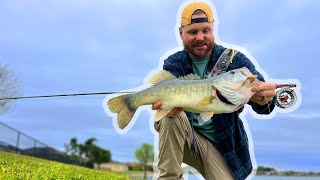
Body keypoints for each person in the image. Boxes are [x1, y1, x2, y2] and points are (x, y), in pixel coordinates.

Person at [152, 1, 276, 180]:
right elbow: (163, 100)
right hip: (185, 138)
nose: (200, 37)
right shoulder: (174, 63)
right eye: (193, 32)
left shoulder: (236, 60)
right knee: (171, 118)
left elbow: (266, 106)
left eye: (205, 30)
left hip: (223, 150)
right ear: (181, 33)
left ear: (213, 30)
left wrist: (264, 99)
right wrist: (166, 108)